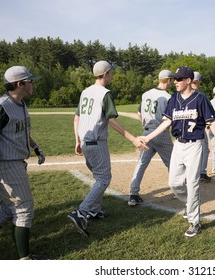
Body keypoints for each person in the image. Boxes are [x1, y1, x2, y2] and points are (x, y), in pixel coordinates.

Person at [0, 66, 45, 260]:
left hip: (13, 162)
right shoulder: (0, 107)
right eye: (30, 81)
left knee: (7, 209)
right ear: (20, 84)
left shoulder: (20, 104)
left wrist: (36, 147)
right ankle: (24, 259)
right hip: (5, 164)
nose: (33, 84)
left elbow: (20, 132)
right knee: (24, 209)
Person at [142, 67, 215, 237]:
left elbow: (211, 121)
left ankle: (194, 221)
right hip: (178, 145)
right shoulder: (173, 99)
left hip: (195, 145)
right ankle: (190, 203)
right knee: (174, 183)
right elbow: (166, 123)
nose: (176, 82)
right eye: (175, 79)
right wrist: (148, 138)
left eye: (179, 79)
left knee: (192, 183)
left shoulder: (200, 99)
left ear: (188, 80)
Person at [69, 60, 148, 236]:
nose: (112, 75)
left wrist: (77, 141)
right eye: (111, 72)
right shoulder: (105, 93)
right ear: (105, 74)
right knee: (104, 178)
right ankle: (81, 211)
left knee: (98, 177)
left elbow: (77, 118)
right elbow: (111, 120)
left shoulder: (85, 92)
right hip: (96, 141)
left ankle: (94, 210)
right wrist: (133, 139)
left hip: (84, 140)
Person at [128, 70, 174, 206]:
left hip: (146, 132)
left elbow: (139, 113)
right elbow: (170, 119)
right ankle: (178, 191)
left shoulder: (146, 94)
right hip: (161, 132)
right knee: (173, 163)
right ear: (169, 80)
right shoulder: (168, 97)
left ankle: (133, 194)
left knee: (141, 163)